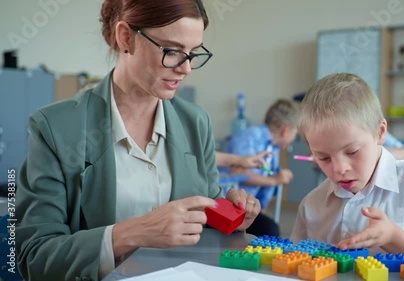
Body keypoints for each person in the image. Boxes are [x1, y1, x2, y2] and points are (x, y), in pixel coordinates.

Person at [15, 1, 260, 280]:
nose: (186, 69)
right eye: (172, 51)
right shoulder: (55, 128)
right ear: (126, 37)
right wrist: (134, 232)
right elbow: (33, 256)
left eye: (193, 53)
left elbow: (207, 212)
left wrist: (231, 215)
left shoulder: (196, 122)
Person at [290, 73, 404, 260]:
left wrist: (393, 237)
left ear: (380, 132)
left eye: (352, 151)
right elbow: (296, 263)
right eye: (323, 158)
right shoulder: (312, 204)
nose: (339, 169)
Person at [225, 99, 299, 236]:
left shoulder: (273, 147)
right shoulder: (249, 137)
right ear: (285, 130)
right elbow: (238, 172)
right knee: (270, 230)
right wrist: (275, 180)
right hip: (230, 204)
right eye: (295, 133)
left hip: (248, 207)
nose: (293, 138)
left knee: (269, 228)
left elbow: (266, 176)